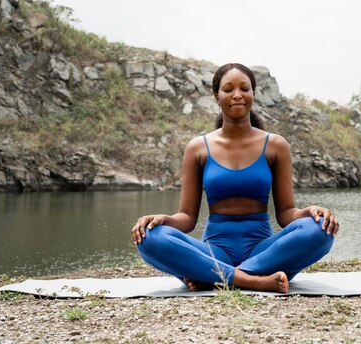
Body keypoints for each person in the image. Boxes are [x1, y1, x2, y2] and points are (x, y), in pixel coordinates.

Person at [131, 63, 338, 293]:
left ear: (253, 94)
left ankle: (214, 277)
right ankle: (252, 280)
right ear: (216, 96)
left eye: (244, 88)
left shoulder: (276, 145)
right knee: (149, 237)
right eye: (228, 89)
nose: (237, 95)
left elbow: (286, 215)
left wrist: (310, 212)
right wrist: (162, 219)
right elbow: (187, 218)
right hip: (215, 251)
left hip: (263, 251)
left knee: (320, 230)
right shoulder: (198, 148)